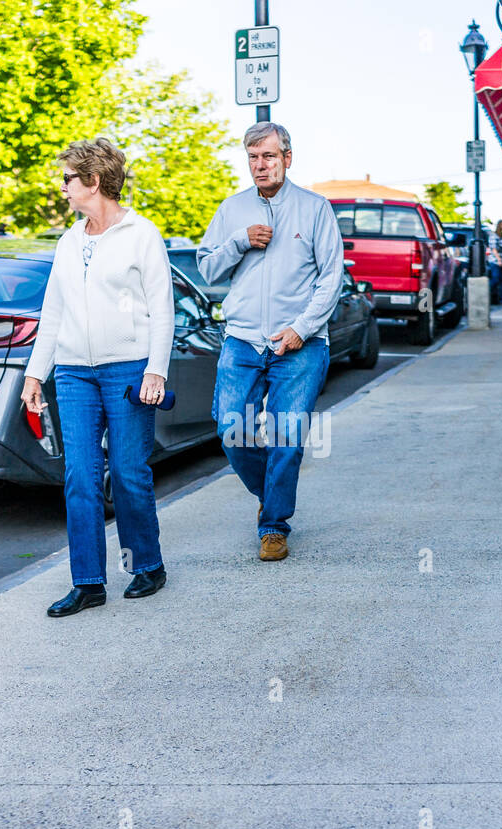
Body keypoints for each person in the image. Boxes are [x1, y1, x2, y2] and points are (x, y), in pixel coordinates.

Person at [20, 137, 174, 617]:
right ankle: (88, 582)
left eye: (68, 178)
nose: (62, 187)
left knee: (128, 474)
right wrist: (34, 375)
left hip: (128, 369)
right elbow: (54, 311)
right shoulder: (69, 240)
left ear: (93, 180)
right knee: (80, 478)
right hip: (73, 373)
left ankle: (147, 565)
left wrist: (156, 370)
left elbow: (162, 309)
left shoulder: (141, 234)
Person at [197, 122, 342, 562]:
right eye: (253, 158)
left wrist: (302, 328)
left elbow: (331, 277)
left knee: (287, 434)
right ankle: (271, 493)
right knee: (229, 429)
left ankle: (274, 525)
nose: (260, 165)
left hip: (299, 342)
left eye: (269, 157)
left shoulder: (315, 209)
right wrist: (240, 242)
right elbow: (206, 269)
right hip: (241, 339)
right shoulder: (232, 209)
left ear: (287, 158)